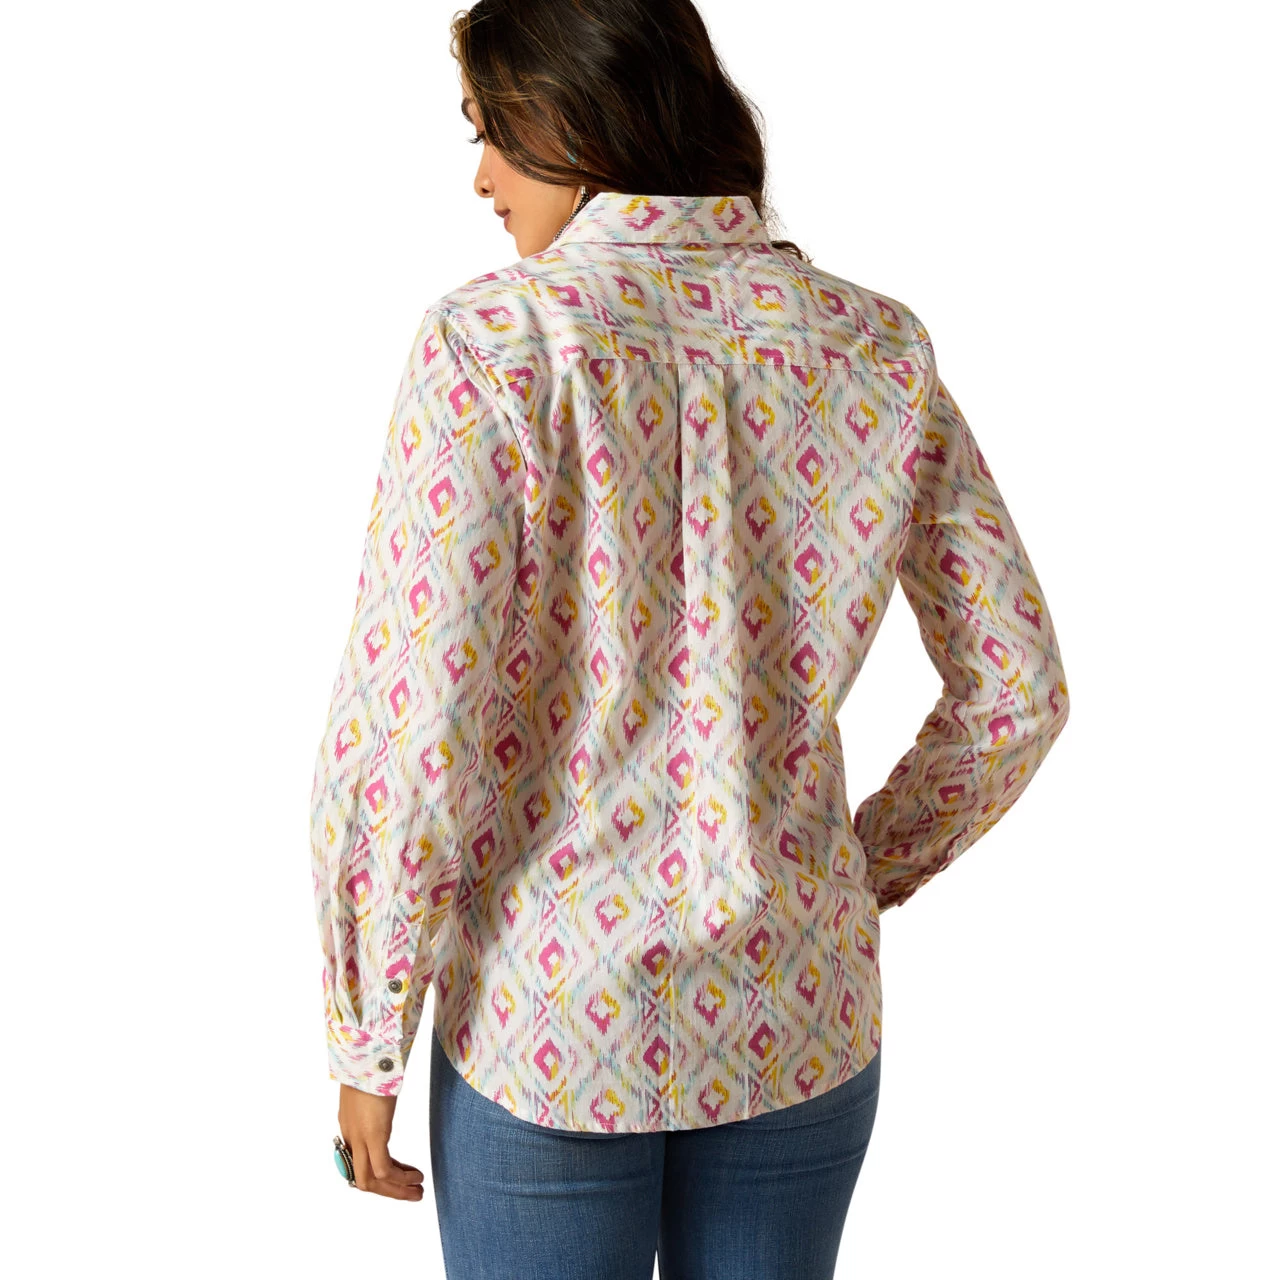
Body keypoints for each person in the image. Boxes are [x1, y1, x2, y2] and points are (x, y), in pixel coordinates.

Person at [308, 1, 1071, 1276]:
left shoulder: (493, 347)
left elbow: (413, 728)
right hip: (797, 1004)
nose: (480, 177)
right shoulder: (872, 346)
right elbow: (1017, 689)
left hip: (551, 1019)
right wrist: (854, 869)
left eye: (490, 131)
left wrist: (363, 1030)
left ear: (571, 118)